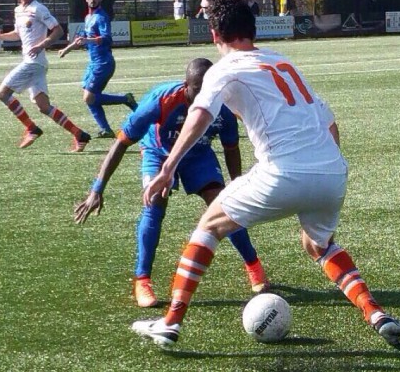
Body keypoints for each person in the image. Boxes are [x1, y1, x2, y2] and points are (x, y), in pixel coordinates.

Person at [131, 0, 400, 347]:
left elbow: (200, 114)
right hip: (332, 171)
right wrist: (321, 169)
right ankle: (375, 312)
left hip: (283, 171)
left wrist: (168, 166)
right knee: (318, 244)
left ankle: (170, 323)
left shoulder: (225, 68)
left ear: (215, 35)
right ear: (253, 29)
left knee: (209, 226)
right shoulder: (283, 62)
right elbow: (330, 123)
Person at [74, 58, 270, 308]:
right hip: (158, 153)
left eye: (209, 88)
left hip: (197, 154)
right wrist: (97, 190)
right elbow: (121, 143)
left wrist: (235, 185)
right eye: (198, 89)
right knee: (155, 202)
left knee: (225, 206)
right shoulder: (160, 101)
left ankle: (254, 266)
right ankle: (142, 280)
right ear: (186, 85)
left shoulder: (222, 105)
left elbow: (231, 147)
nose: (204, 95)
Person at [0, 0, 92, 151]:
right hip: (36, 63)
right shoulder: (18, 10)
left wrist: (40, 45)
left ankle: (31, 128)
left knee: (2, 94)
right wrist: (0, 36)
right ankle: (79, 135)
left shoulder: (39, 9)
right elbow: (18, 34)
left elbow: (58, 30)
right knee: (44, 107)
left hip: (34, 63)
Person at [58, 0, 136, 138]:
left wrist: (89, 41)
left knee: (89, 97)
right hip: (93, 63)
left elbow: (107, 39)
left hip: (104, 63)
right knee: (89, 98)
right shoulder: (88, 17)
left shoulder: (101, 17)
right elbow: (82, 39)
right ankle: (106, 129)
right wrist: (66, 49)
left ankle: (125, 98)